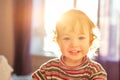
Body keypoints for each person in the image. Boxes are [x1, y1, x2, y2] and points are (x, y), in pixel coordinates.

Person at [32, 9, 107, 80]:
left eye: (81, 38)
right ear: (58, 41)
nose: (74, 44)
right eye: (67, 38)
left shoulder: (95, 71)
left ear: (90, 41)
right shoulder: (48, 69)